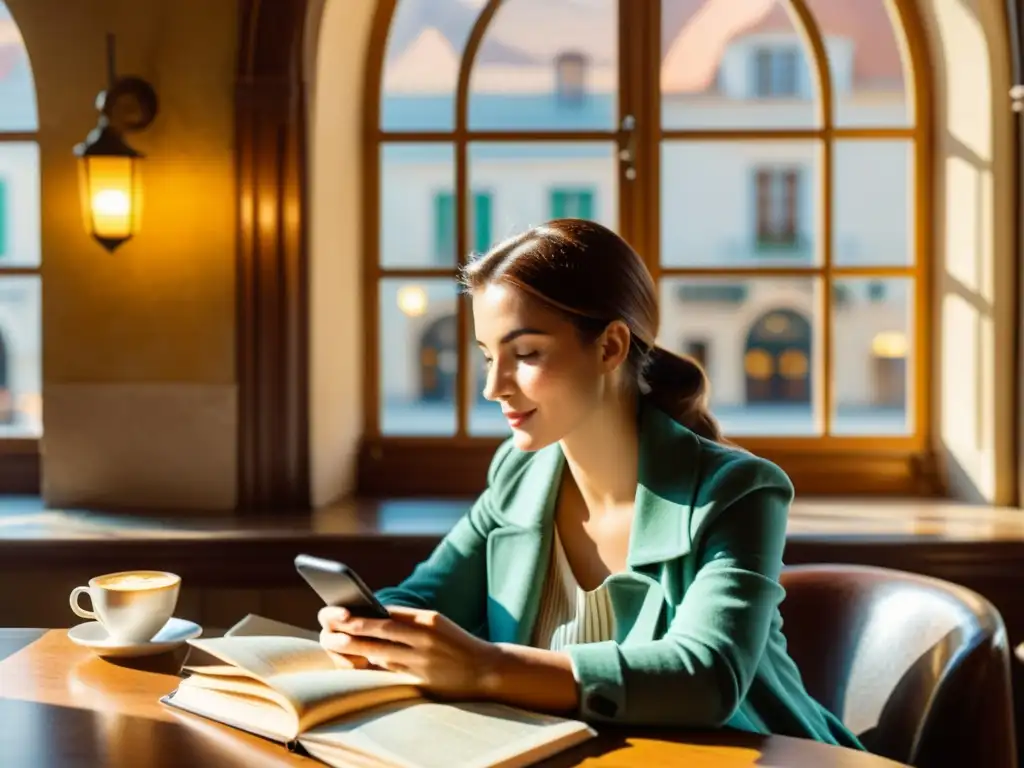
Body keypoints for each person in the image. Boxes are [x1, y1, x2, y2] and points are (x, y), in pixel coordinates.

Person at [319, 218, 863, 749]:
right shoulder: (518, 476)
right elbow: (420, 597)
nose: (493, 387)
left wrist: (486, 668)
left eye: (526, 354)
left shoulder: (737, 492)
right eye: (488, 356)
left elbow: (705, 678)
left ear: (610, 348)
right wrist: (366, 632)